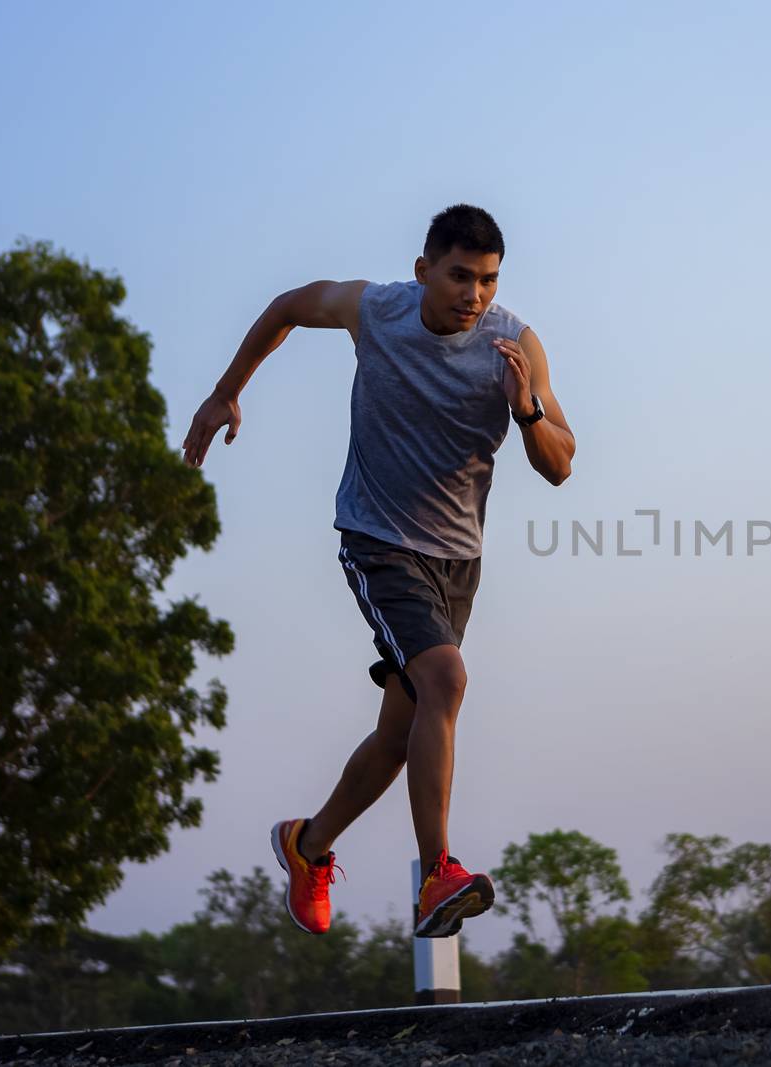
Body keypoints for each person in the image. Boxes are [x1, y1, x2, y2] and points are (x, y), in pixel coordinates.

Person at [180, 204, 575, 938]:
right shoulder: (378, 310)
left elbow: (560, 463)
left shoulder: (514, 343)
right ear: (424, 270)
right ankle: (436, 876)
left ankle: (309, 844)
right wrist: (227, 388)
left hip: (458, 560)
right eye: (460, 276)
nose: (474, 295)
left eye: (488, 280)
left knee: (405, 731)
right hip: (378, 538)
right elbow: (288, 305)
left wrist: (526, 412)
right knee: (446, 679)